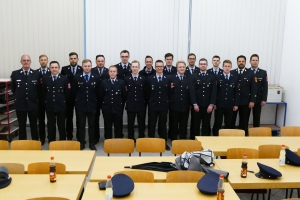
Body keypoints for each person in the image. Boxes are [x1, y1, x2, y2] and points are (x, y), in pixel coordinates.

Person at [10, 55, 41, 140]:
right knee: (22, 125)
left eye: (28, 60)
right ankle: (22, 145)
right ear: (21, 62)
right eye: (24, 60)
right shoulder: (15, 74)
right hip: (20, 104)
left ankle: (35, 143)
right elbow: (13, 88)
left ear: (31, 62)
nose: (26, 62)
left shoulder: (36, 74)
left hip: (33, 104)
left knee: (34, 125)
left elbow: (39, 89)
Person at [72, 59, 100, 150]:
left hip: (92, 105)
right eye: (85, 66)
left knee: (92, 125)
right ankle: (82, 142)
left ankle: (92, 143)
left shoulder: (96, 77)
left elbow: (98, 92)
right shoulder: (76, 77)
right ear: (82, 67)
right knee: (81, 125)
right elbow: (74, 92)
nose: (87, 68)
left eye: (88, 66)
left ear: (91, 66)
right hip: (80, 106)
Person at [42, 61, 69, 142]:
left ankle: (62, 141)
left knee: (61, 125)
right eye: (52, 67)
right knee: (50, 125)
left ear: (59, 68)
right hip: (50, 106)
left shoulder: (64, 78)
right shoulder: (45, 78)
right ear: (49, 68)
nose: (54, 69)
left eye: (56, 67)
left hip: (61, 106)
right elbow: (43, 92)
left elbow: (67, 93)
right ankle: (51, 140)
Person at [147, 60, 171, 150]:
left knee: (163, 125)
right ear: (155, 67)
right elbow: (147, 93)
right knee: (151, 124)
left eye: (161, 66)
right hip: (153, 105)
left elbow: (170, 92)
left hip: (164, 106)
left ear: (163, 67)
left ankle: (163, 143)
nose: (159, 68)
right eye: (157, 66)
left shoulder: (168, 78)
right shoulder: (150, 78)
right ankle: (151, 143)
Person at [189, 58, 217, 138]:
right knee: (195, 124)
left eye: (204, 64)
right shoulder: (194, 76)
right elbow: (192, 91)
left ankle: (205, 140)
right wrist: (194, 104)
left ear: (207, 65)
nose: (203, 65)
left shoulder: (211, 76)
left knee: (206, 124)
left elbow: (213, 92)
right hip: (197, 105)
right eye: (201, 64)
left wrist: (211, 104)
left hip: (207, 106)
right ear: (199, 65)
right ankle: (194, 140)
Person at [231, 55, 257, 136]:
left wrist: (252, 100)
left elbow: (254, 88)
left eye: (243, 61)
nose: (241, 63)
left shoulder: (251, 73)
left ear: (245, 62)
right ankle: (231, 139)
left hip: (245, 102)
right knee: (232, 121)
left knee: (244, 122)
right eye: (239, 61)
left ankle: (243, 140)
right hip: (233, 102)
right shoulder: (232, 72)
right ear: (237, 62)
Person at [212, 60, 239, 136]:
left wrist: (236, 104)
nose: (227, 68)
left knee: (228, 123)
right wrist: (214, 103)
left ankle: (227, 139)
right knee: (218, 122)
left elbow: (236, 92)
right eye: (225, 66)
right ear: (222, 67)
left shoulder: (234, 78)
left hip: (230, 105)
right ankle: (215, 137)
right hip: (219, 105)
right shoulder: (217, 77)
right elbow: (214, 92)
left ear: (231, 67)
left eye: (228, 66)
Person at [99, 65, 127, 139]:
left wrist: (120, 105)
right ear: (108, 72)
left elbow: (124, 96)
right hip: (107, 108)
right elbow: (101, 96)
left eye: (114, 71)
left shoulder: (121, 82)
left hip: (117, 108)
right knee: (107, 126)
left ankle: (118, 142)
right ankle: (108, 141)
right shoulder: (104, 82)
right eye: (111, 71)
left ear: (117, 72)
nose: (112, 73)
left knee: (118, 126)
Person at [61, 52, 83, 140]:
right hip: (68, 98)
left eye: (75, 58)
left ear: (78, 59)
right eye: (71, 58)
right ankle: (69, 136)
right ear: (69, 59)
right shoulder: (64, 69)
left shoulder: (82, 69)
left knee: (79, 118)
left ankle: (79, 137)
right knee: (69, 118)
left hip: (79, 97)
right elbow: (62, 82)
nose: (73, 60)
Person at [124, 60, 147, 141]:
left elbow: (145, 92)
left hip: (141, 104)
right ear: (130, 67)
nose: (134, 68)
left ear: (139, 68)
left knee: (141, 123)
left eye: (136, 67)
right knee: (130, 123)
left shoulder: (143, 79)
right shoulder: (126, 79)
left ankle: (141, 138)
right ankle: (131, 138)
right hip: (130, 104)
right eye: (133, 67)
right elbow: (125, 92)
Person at [169, 60, 190, 140]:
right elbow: (169, 92)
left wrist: (190, 104)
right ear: (177, 68)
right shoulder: (171, 77)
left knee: (183, 124)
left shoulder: (188, 77)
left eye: (183, 67)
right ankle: (173, 139)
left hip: (185, 105)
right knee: (173, 123)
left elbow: (190, 92)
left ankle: (182, 139)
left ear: (185, 68)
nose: (182, 68)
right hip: (174, 105)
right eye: (180, 67)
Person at [91, 54, 109, 143]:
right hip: (94, 99)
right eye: (98, 61)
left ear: (104, 62)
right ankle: (95, 137)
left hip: (106, 99)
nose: (100, 63)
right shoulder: (91, 71)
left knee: (107, 119)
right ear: (96, 62)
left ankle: (107, 137)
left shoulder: (109, 71)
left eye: (102, 61)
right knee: (95, 119)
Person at [249, 54, 268, 127]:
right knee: (245, 119)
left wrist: (264, 99)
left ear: (258, 62)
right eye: (253, 60)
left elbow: (265, 87)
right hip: (248, 99)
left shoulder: (263, 73)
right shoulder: (246, 71)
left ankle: (255, 136)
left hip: (258, 99)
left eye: (256, 60)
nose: (255, 62)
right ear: (250, 61)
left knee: (256, 118)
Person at [36, 54, 51, 145]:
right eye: (41, 60)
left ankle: (50, 137)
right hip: (39, 101)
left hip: (49, 100)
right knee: (41, 120)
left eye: (45, 60)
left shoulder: (52, 71)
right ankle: (42, 137)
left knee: (50, 120)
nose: (43, 61)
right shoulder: (35, 73)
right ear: (39, 61)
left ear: (47, 61)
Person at [185, 53, 200, 139]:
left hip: (196, 100)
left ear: (195, 60)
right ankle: (185, 134)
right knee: (185, 119)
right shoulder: (183, 69)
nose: (191, 60)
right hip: (186, 99)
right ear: (188, 59)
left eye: (193, 58)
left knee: (195, 120)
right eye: (190, 58)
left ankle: (193, 136)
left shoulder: (199, 70)